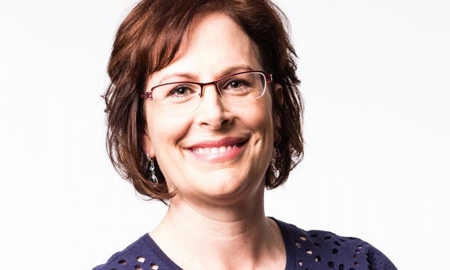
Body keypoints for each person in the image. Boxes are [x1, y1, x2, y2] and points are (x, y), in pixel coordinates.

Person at [94, 0, 397, 269]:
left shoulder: (359, 264)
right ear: (143, 130)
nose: (214, 115)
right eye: (180, 90)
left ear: (276, 111)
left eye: (236, 83)